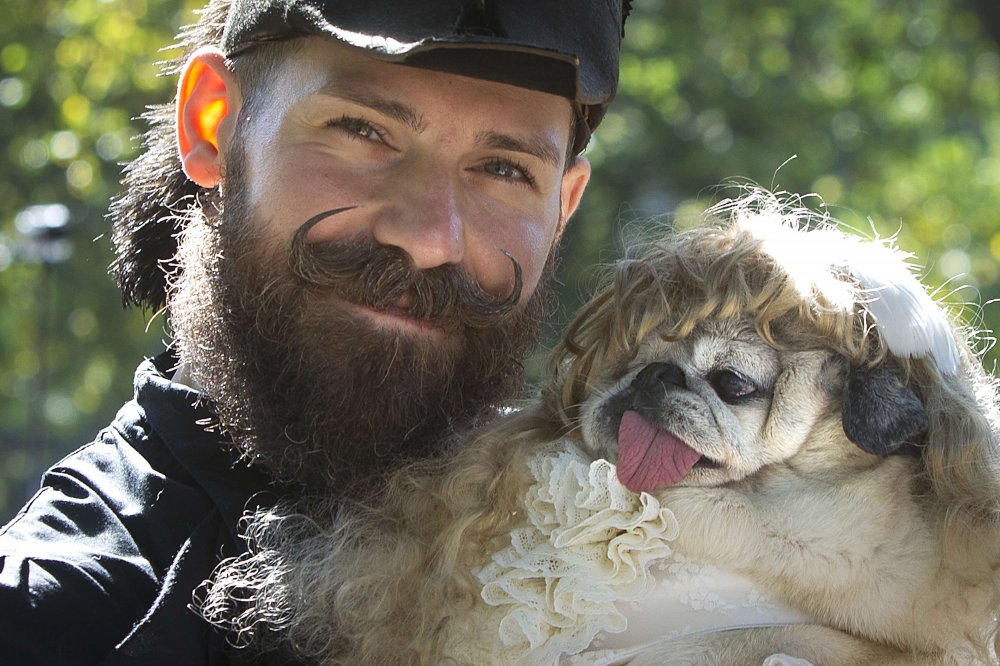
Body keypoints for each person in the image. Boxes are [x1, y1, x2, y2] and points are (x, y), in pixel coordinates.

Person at [0, 0, 629, 664]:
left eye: (505, 170)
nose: (429, 238)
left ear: (562, 208)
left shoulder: (638, 553)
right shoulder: (51, 620)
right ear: (212, 123)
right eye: (363, 129)